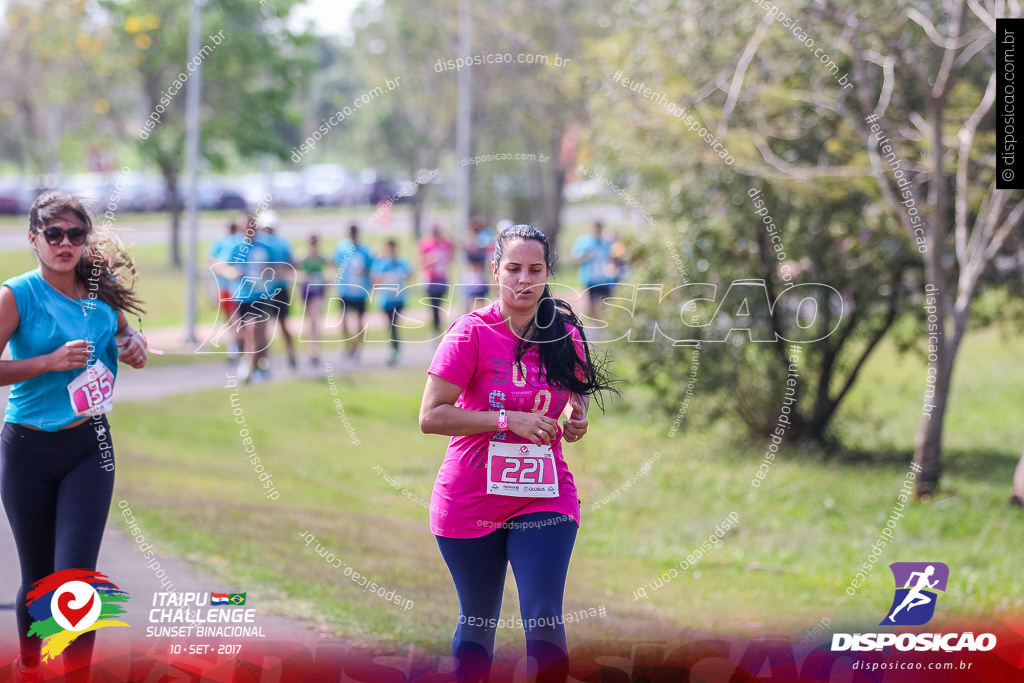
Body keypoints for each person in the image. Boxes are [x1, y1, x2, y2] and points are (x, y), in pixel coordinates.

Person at [419, 224, 616, 683]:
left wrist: (578, 416)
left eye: (535, 269)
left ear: (549, 273)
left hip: (544, 493)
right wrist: (507, 421)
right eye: (513, 269)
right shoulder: (471, 333)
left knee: (544, 613)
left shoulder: (565, 331)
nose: (523, 280)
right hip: (470, 495)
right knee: (479, 620)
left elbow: (575, 390)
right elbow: (432, 416)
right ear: (495, 271)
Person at [0, 192, 148, 683]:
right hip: (26, 449)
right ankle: (30, 668)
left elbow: (127, 335)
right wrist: (46, 363)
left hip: (90, 447)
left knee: (75, 580)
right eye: (54, 234)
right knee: (38, 579)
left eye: (75, 235)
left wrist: (134, 346)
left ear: (86, 241)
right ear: (34, 239)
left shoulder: (100, 289)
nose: (65, 244)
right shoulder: (16, 294)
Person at [258, 211, 298, 371]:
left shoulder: (282, 243)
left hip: (280, 289)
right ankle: (263, 360)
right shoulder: (260, 244)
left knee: (282, 324)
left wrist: (278, 269)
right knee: (263, 327)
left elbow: (290, 264)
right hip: (264, 290)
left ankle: (290, 354)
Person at [334, 224, 374, 361]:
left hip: (360, 291)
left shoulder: (365, 250)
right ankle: (348, 345)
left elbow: (371, 268)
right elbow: (336, 265)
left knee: (360, 321)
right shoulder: (342, 248)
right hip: (345, 290)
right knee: (343, 320)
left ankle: (358, 347)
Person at [370, 239, 412, 366]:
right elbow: (375, 281)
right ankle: (395, 348)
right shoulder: (382, 264)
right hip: (386, 301)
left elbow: (409, 274)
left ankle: (395, 349)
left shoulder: (402, 263)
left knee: (394, 325)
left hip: (399, 300)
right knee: (391, 326)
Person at [206, 217, 241, 359]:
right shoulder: (221, 243)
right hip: (224, 286)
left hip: (237, 287)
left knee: (236, 317)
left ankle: (237, 344)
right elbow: (211, 261)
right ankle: (235, 344)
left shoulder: (239, 242)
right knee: (230, 317)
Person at [570, 220, 618, 319]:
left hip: (605, 279)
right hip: (590, 278)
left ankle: (606, 324)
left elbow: (613, 258)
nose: (597, 229)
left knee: (607, 303)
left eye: (599, 227)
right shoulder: (584, 242)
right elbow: (574, 258)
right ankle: (594, 325)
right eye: (595, 227)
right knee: (592, 305)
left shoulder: (606, 243)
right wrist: (586, 256)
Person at [419, 222, 452, 335]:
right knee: (433, 306)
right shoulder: (426, 244)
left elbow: (451, 256)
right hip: (431, 279)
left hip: (442, 279)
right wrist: (430, 260)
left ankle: (438, 328)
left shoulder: (446, 243)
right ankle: (435, 329)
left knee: (440, 306)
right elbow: (421, 262)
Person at [299, 233, 328, 366]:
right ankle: (311, 346)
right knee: (310, 321)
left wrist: (327, 281)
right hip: (307, 291)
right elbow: (295, 273)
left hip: (318, 291)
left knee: (315, 319)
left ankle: (314, 349)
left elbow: (331, 269)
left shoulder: (322, 258)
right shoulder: (303, 258)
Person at [463, 217, 494, 313]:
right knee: (470, 298)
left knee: (480, 298)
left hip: (480, 273)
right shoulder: (469, 239)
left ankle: (480, 317)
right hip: (472, 274)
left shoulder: (482, 240)